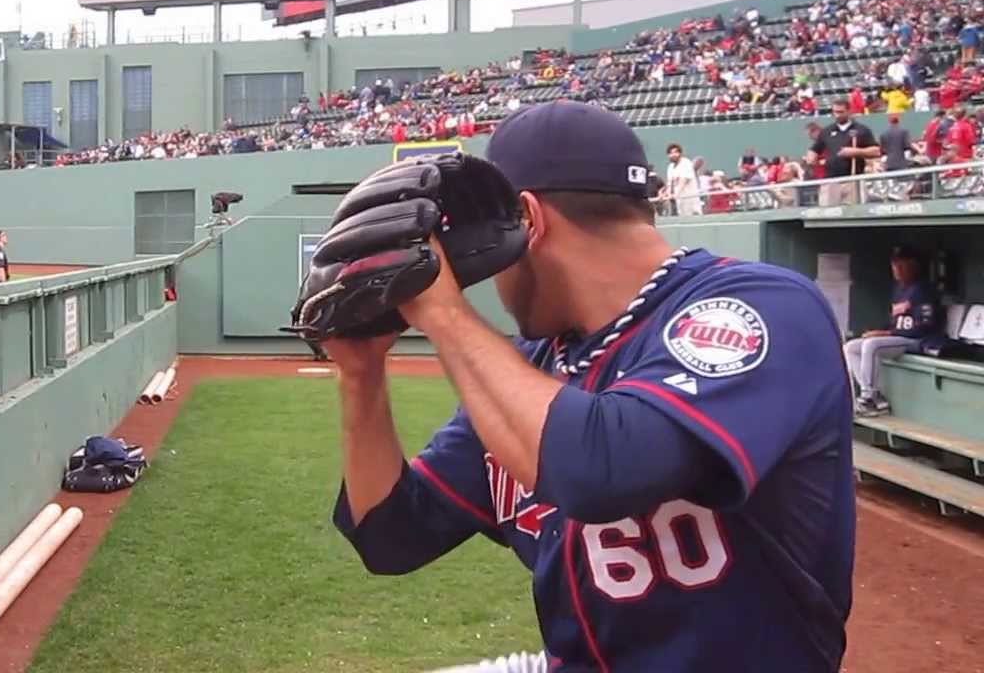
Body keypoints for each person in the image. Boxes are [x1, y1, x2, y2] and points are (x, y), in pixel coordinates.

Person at [325, 101, 856, 672]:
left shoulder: (759, 306)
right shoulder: (537, 362)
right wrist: (360, 372)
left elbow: (603, 468)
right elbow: (392, 535)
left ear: (528, 221)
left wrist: (443, 312)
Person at [843, 246, 939, 417]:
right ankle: (877, 396)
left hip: (917, 340)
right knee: (851, 347)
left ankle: (868, 398)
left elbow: (925, 326)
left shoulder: (924, 290)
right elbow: (894, 324)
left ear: (914, 266)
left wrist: (885, 334)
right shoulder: (899, 290)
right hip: (897, 338)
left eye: (902, 266)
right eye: (895, 266)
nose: (898, 270)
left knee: (871, 345)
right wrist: (879, 331)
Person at [807, 99, 880, 206]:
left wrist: (855, 152)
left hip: (853, 180)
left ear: (849, 111)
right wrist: (811, 157)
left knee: (854, 212)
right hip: (830, 181)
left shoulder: (861, 130)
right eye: (835, 112)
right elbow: (814, 149)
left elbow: (876, 151)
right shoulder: (827, 131)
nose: (837, 115)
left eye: (841, 112)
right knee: (826, 213)